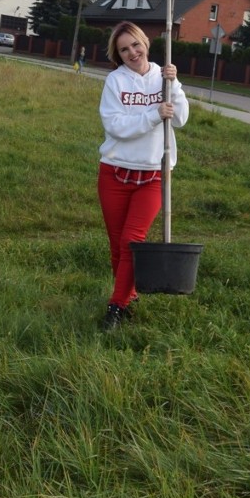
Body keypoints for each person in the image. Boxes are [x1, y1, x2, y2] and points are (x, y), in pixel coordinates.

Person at [97, 22, 189, 330]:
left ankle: (116, 307)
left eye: (135, 45)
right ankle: (128, 294)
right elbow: (116, 126)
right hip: (114, 171)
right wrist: (152, 114)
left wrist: (173, 86)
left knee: (131, 241)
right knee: (116, 245)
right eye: (124, 49)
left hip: (153, 174)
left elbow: (181, 120)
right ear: (118, 54)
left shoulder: (164, 78)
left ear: (145, 42)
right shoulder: (115, 81)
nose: (132, 52)